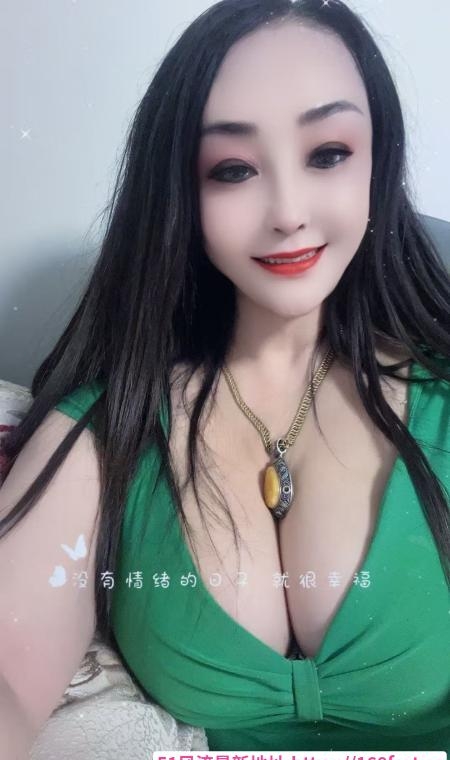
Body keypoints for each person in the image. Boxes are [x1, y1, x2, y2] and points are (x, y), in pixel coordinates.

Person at [0, 0, 449, 754]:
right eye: (233, 169)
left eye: (328, 153)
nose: (288, 212)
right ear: (180, 190)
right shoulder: (112, 427)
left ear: (379, 160)